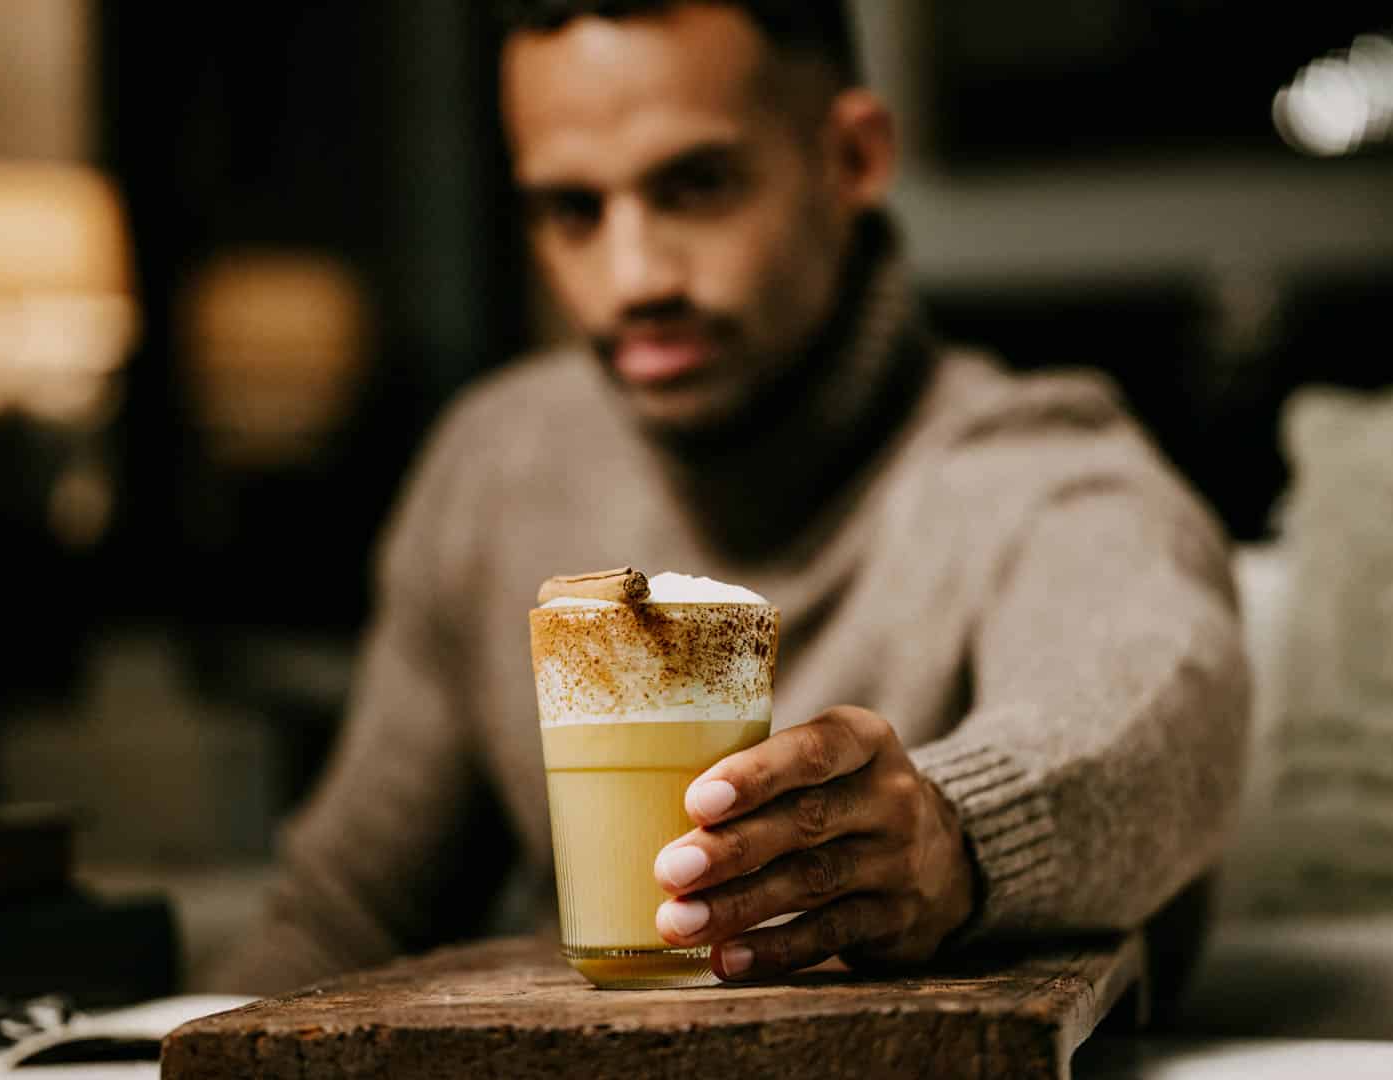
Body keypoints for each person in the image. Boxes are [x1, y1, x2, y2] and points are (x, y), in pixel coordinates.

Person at [208, 0, 1249, 995]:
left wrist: (950, 830)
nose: (630, 278)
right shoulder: (498, 464)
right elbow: (344, 911)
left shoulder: (1037, 472)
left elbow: (1163, 726)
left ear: (852, 158)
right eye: (571, 209)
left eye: (695, 185)